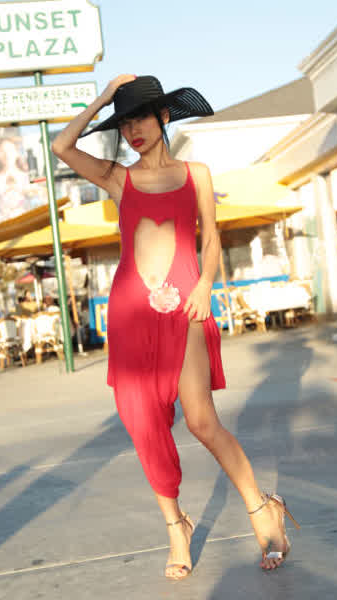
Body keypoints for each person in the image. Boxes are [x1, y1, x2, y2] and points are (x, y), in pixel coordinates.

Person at [52, 75, 299, 580]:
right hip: (130, 314)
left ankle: (262, 508)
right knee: (142, 422)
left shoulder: (196, 174)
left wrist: (206, 283)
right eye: (123, 123)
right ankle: (176, 527)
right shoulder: (119, 178)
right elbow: (61, 146)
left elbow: (211, 238)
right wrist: (103, 97)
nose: (132, 131)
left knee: (202, 421)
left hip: (186, 306)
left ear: (164, 116)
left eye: (140, 117)